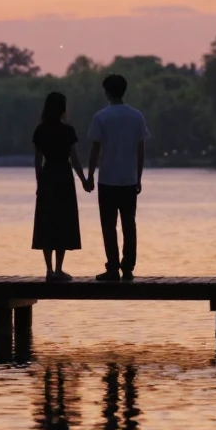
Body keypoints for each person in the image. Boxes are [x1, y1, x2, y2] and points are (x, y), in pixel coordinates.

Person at [86, 74, 149, 281]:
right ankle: (128, 267)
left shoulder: (101, 117)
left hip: (107, 179)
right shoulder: (136, 116)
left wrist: (90, 175)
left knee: (108, 225)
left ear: (107, 91)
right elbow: (140, 149)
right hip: (129, 179)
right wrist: (138, 177)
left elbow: (95, 148)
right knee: (129, 224)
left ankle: (112, 267)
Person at [32, 91, 90, 280]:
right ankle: (59, 269)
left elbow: (38, 160)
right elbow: (74, 159)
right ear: (62, 109)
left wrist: (39, 183)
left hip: (48, 176)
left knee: (47, 222)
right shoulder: (67, 131)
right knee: (63, 222)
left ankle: (48, 270)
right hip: (64, 177)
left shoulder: (40, 130)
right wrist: (84, 180)